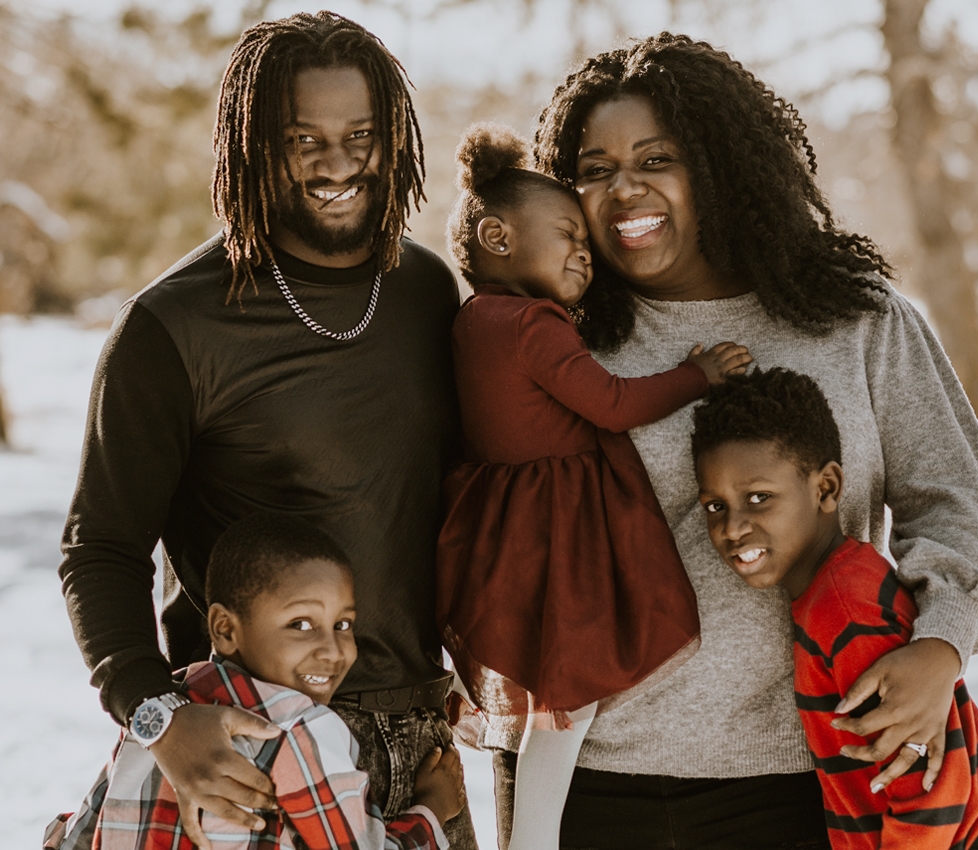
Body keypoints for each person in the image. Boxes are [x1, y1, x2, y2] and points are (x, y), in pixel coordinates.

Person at [507, 34, 978, 848]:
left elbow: (954, 503)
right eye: (595, 169)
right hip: (597, 785)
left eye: (656, 158)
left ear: (718, 165)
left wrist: (940, 647)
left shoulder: (854, 321)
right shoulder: (557, 342)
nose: (624, 188)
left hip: (808, 784)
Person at [56, 12, 473, 849]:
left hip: (423, 746)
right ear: (251, 146)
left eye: (360, 134)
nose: (337, 162)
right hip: (256, 748)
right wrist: (162, 722)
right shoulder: (173, 325)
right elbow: (98, 548)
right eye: (302, 139)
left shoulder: (429, 291)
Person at [433, 124, 751, 848]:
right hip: (561, 529)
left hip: (503, 521)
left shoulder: (471, 319)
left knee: (554, 701)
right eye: (566, 234)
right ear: (498, 238)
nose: (585, 250)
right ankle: (534, 841)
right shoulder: (533, 325)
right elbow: (610, 403)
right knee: (568, 704)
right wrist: (697, 375)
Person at [690, 369, 978, 850]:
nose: (733, 528)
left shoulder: (846, 608)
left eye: (758, 498)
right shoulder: (835, 590)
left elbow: (929, 785)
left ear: (827, 488)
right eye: (715, 507)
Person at [51, 514, 465, 850]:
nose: (333, 650)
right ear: (225, 629)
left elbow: (84, 835)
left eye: (343, 624)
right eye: (301, 624)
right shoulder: (299, 730)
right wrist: (432, 807)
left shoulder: (162, 717)